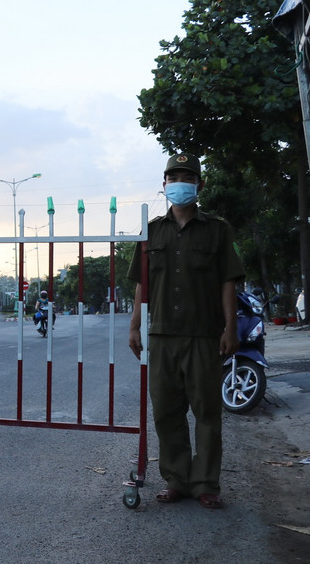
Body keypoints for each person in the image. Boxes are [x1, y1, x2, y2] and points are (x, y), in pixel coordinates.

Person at [127, 153, 244, 510]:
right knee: (166, 411)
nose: (179, 182)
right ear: (164, 185)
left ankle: (206, 483)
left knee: (207, 412)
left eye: (186, 176)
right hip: (161, 336)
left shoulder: (217, 230)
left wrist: (230, 327)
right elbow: (140, 285)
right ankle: (177, 479)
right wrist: (135, 326)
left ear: (199, 184)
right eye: (173, 176)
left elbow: (228, 281)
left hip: (203, 335)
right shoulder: (151, 231)